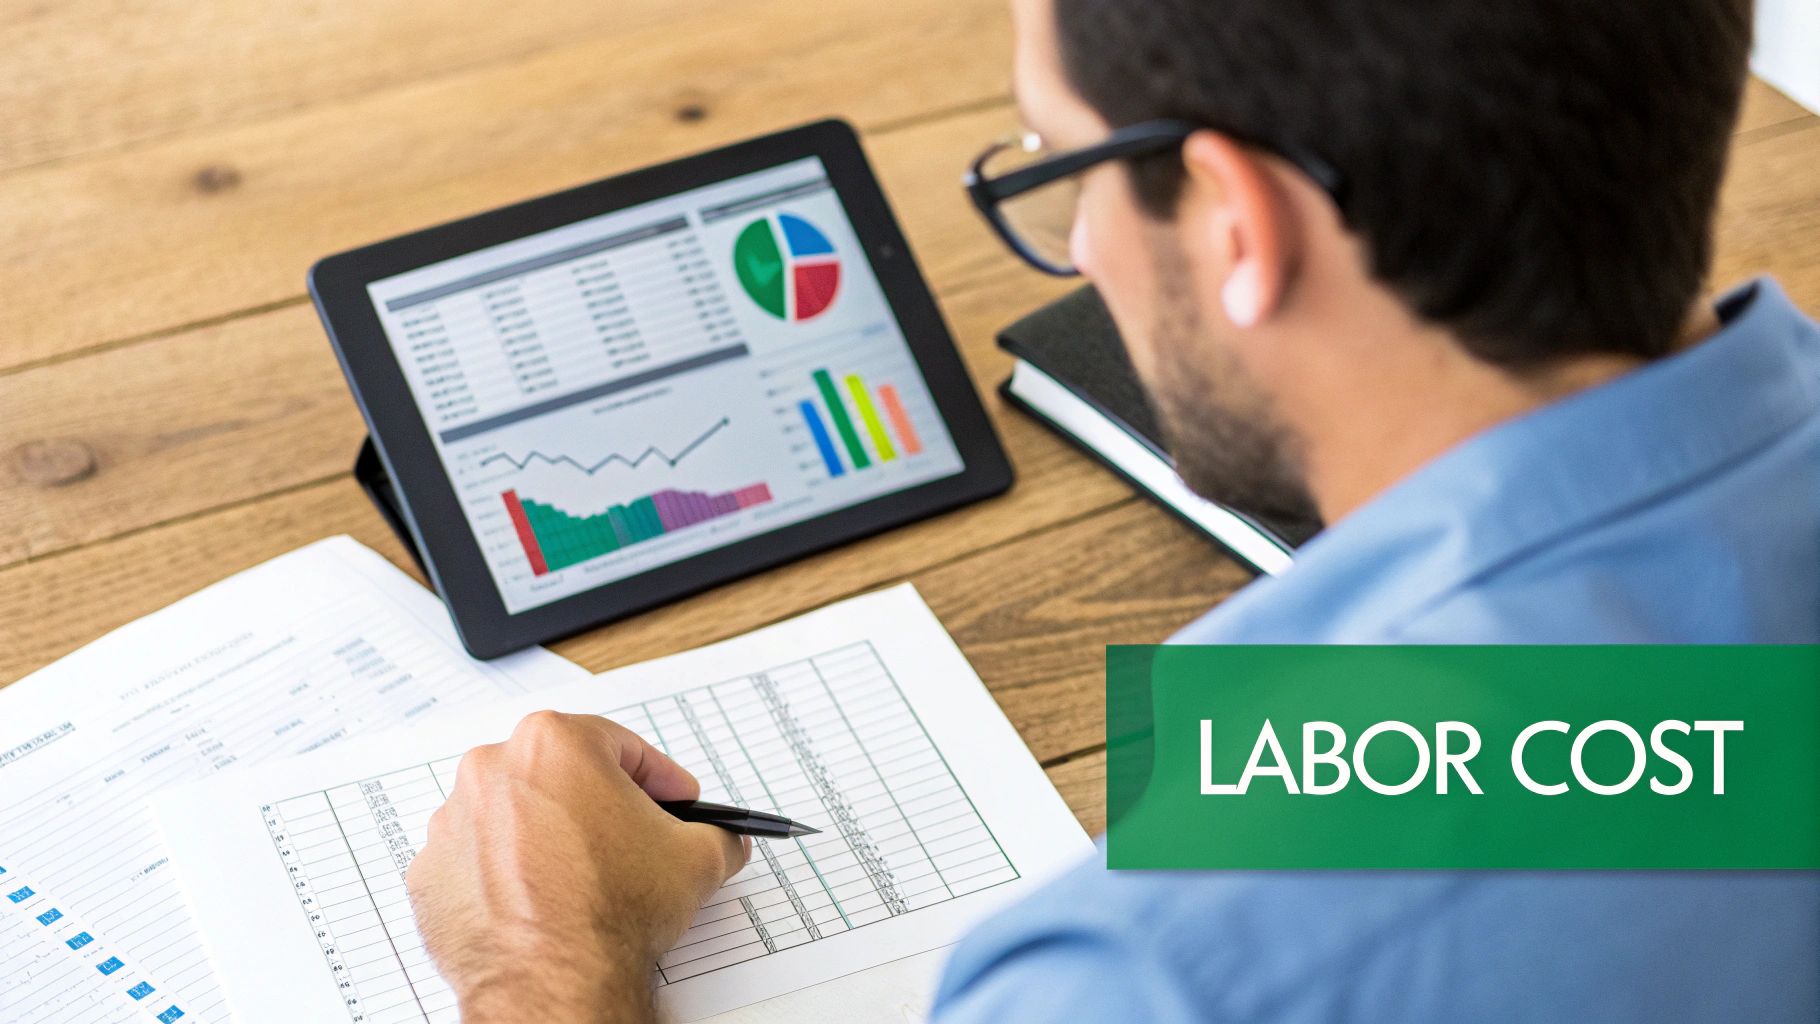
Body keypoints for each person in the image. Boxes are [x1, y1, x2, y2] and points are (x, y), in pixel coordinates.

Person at [404, 0, 1820, 1018]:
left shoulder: (1161, 971)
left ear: (1234, 221)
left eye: (1063, 165)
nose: (1078, 246)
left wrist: (543, 962)